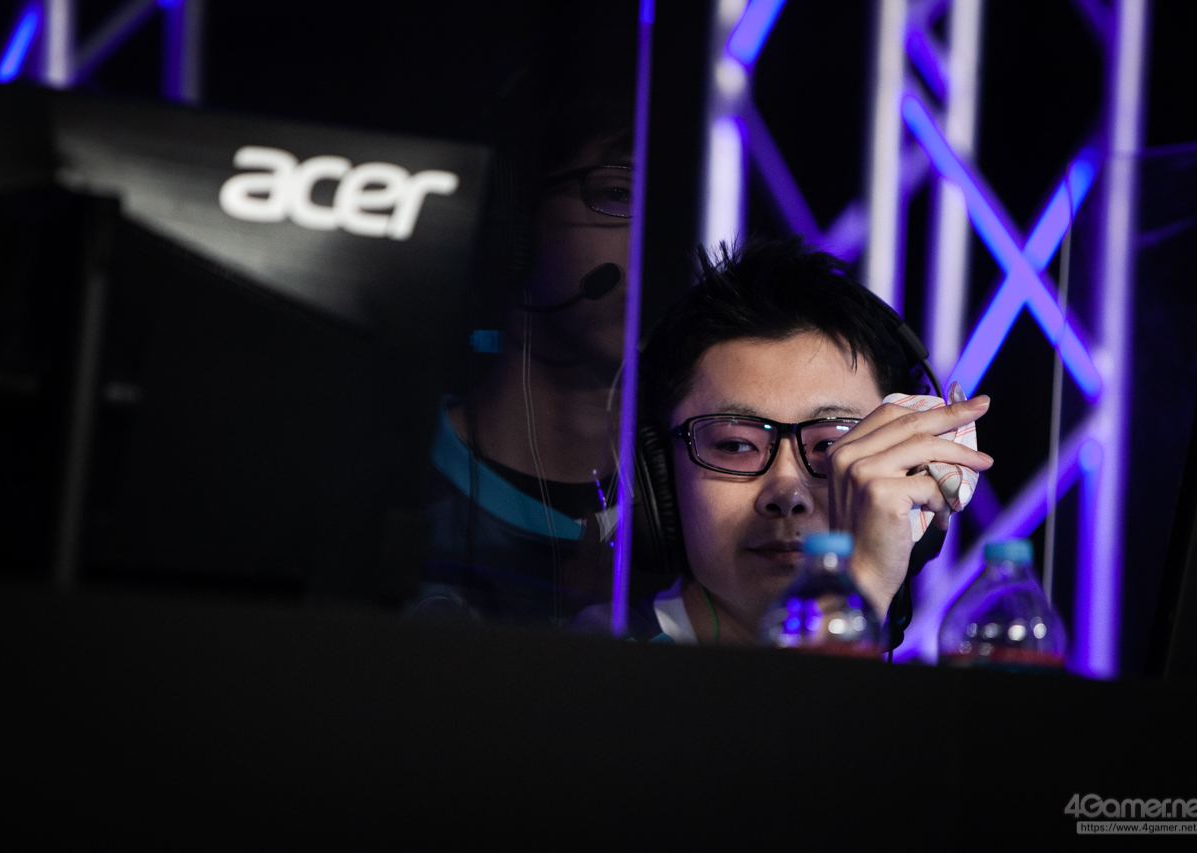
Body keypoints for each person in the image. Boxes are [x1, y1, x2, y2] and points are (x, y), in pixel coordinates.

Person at [609, 237, 993, 647]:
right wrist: (851, 605)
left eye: (830, 446)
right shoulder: (598, 665)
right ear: (657, 476)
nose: (787, 494)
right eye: (736, 445)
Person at [412, 26, 645, 625]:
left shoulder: (723, 507)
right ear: (514, 218)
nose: (652, 244)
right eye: (618, 193)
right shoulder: (390, 480)